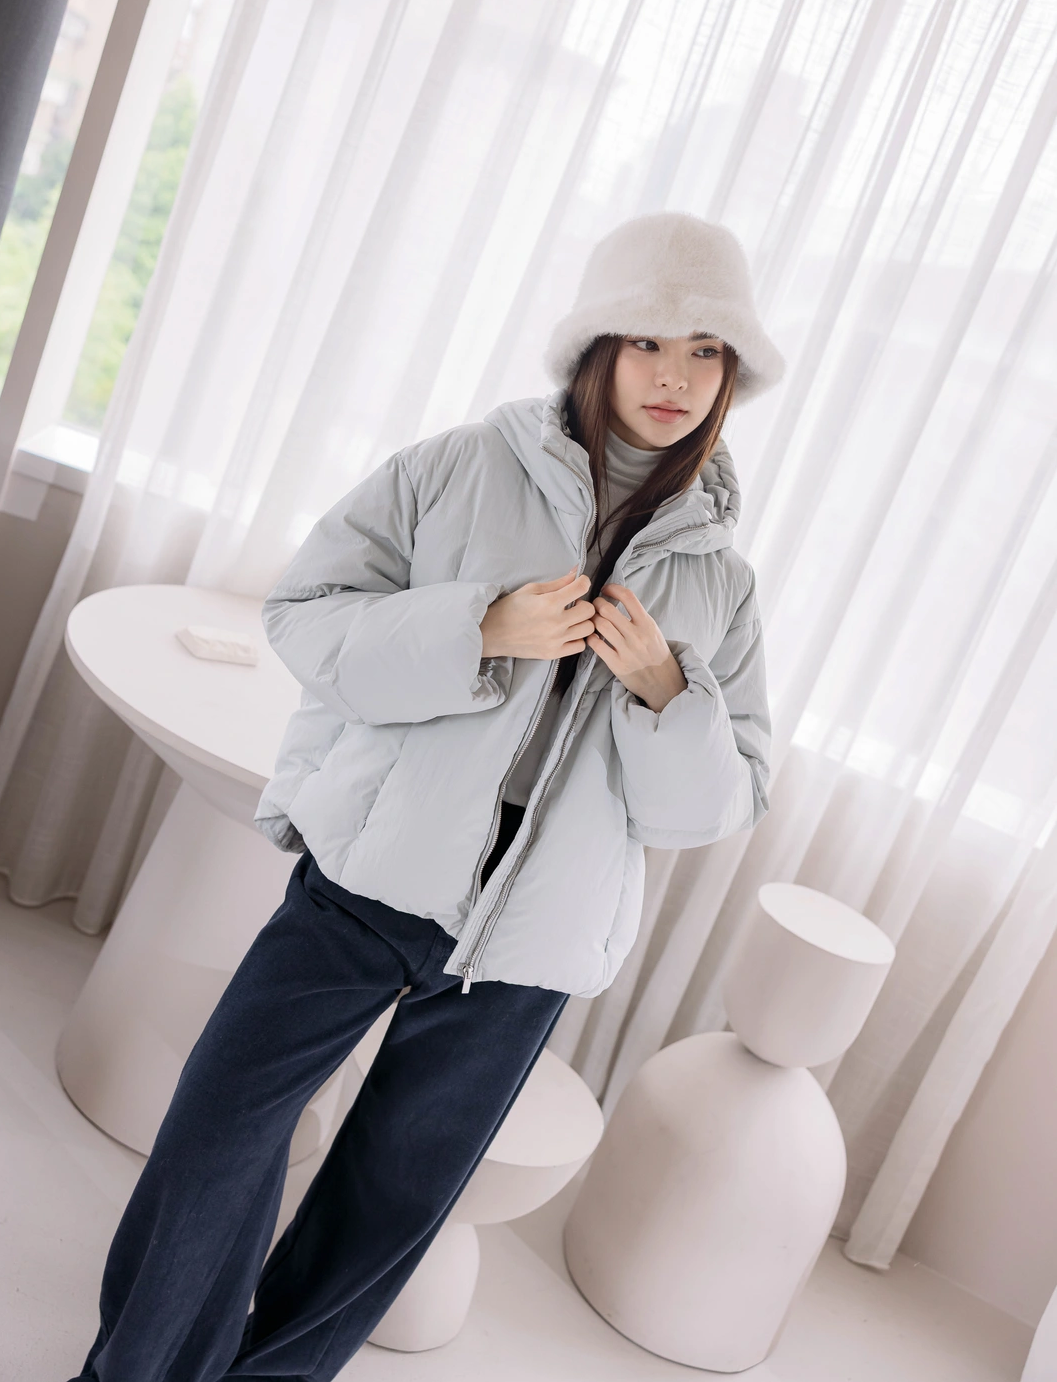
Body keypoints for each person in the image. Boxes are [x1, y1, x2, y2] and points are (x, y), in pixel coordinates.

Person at [68, 209, 785, 1382]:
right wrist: (480, 627)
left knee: (389, 1199)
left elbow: (713, 806)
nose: (674, 375)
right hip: (366, 880)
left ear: (731, 373)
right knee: (220, 1130)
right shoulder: (457, 467)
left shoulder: (723, 585)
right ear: (596, 346)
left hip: (530, 945)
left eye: (705, 350)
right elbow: (306, 617)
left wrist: (666, 690)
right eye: (649, 341)